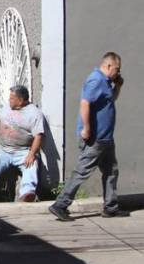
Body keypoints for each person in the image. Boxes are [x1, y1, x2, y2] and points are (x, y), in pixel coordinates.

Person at [50, 52, 130, 221]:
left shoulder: (106, 82)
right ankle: (60, 205)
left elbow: (109, 101)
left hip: (106, 139)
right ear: (108, 66)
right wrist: (86, 128)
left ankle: (110, 207)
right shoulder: (96, 80)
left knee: (111, 172)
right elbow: (85, 103)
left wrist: (118, 87)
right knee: (82, 171)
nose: (118, 72)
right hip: (96, 138)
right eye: (117, 69)